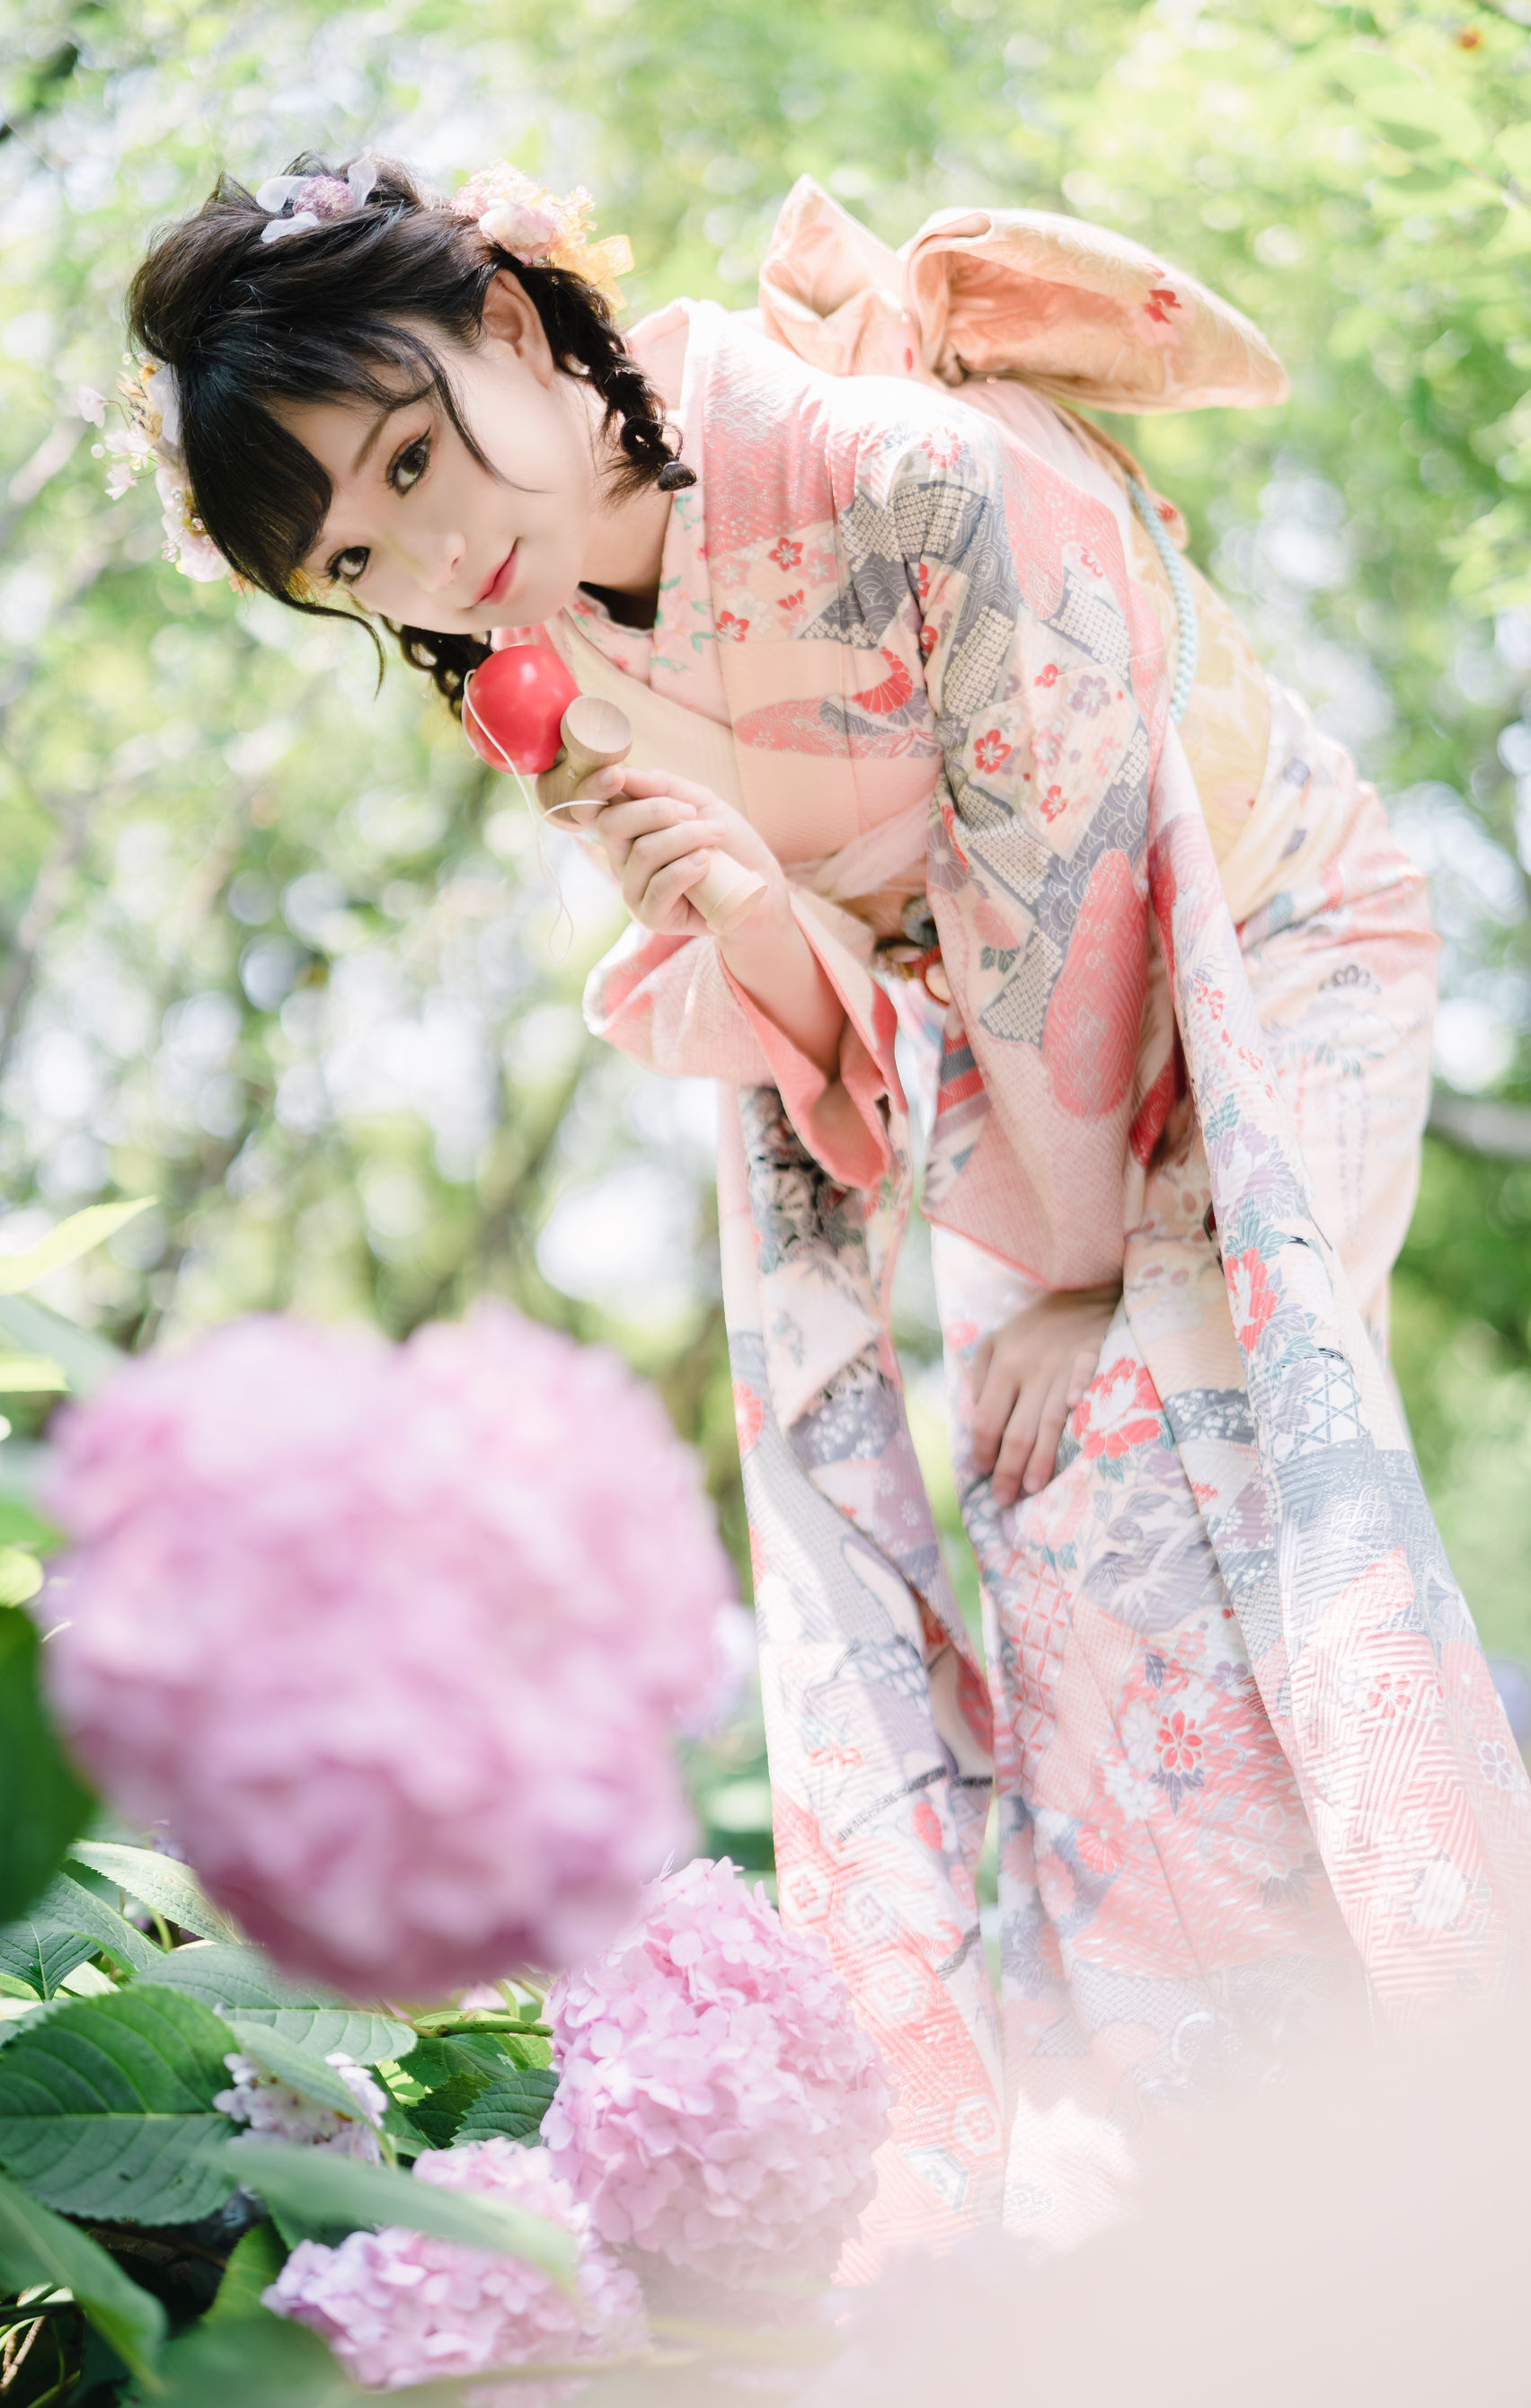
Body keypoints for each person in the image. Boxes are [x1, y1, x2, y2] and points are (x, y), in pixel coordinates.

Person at [118, 155, 1531, 2257]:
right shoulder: (547, 674)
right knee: (1058, 1568)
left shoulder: (908, 475)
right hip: (1022, 1104)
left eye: (411, 456)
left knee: (1160, 1471)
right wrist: (747, 920)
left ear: (510, 321)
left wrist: (1085, 1285)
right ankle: (1216, 2192)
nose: (429, 551)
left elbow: (1072, 901)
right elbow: (836, 1016)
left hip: (1266, 965)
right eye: (355, 554)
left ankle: (1428, 2103)